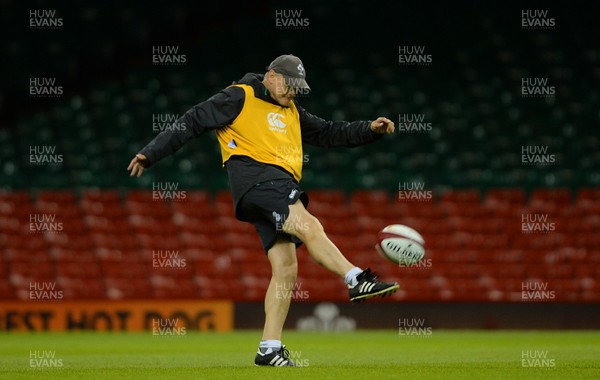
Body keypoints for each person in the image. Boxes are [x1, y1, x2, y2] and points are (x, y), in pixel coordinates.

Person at [127, 54, 399, 367]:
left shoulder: (292, 110)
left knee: (285, 266)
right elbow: (192, 120)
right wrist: (151, 153)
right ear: (270, 76)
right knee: (309, 225)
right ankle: (355, 279)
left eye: (298, 87)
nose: (293, 92)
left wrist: (370, 129)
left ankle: (269, 347)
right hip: (259, 179)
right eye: (288, 84)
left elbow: (328, 133)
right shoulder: (239, 95)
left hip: (264, 190)